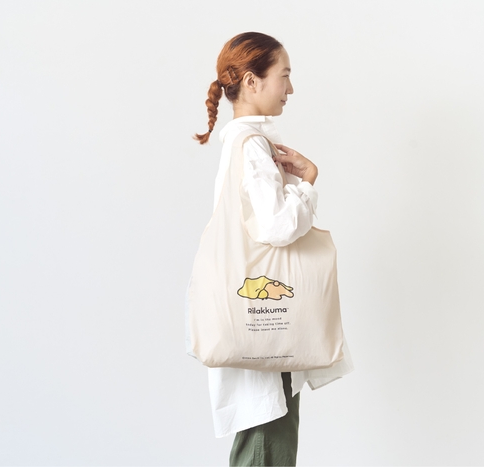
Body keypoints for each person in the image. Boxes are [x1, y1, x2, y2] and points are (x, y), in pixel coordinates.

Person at [192, 32, 353, 466]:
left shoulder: (240, 144)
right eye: (284, 76)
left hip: (256, 324)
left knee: (262, 443)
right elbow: (277, 226)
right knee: (268, 444)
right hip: (267, 332)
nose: (290, 88)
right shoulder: (252, 146)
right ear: (252, 81)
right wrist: (308, 183)